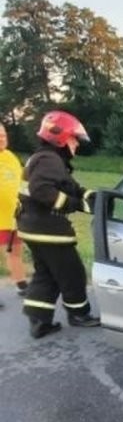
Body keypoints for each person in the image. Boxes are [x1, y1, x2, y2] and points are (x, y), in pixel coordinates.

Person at [17, 110, 100, 338]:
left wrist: (94, 198)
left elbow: (70, 186)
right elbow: (42, 190)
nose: (77, 145)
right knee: (72, 272)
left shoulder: (44, 157)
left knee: (47, 274)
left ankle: (38, 321)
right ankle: (79, 315)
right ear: (61, 138)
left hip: (32, 228)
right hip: (47, 229)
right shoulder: (49, 160)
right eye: (74, 139)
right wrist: (74, 204)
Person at [0, 121, 30, 295]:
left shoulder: (11, 157)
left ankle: (21, 285)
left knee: (15, 252)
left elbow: (20, 182)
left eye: (4, 135)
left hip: (13, 217)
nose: (2, 139)